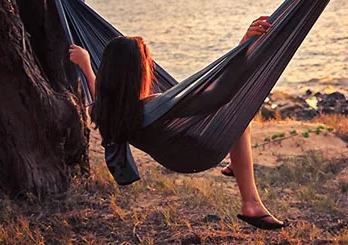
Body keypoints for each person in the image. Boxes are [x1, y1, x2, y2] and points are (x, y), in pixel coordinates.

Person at [68, 16, 284, 230]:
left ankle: (236, 164)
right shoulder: (154, 105)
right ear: (139, 72)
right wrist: (244, 44)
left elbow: (98, 91)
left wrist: (86, 65)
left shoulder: (110, 110)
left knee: (234, 122)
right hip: (194, 155)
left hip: (170, 156)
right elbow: (219, 93)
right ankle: (251, 203)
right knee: (238, 120)